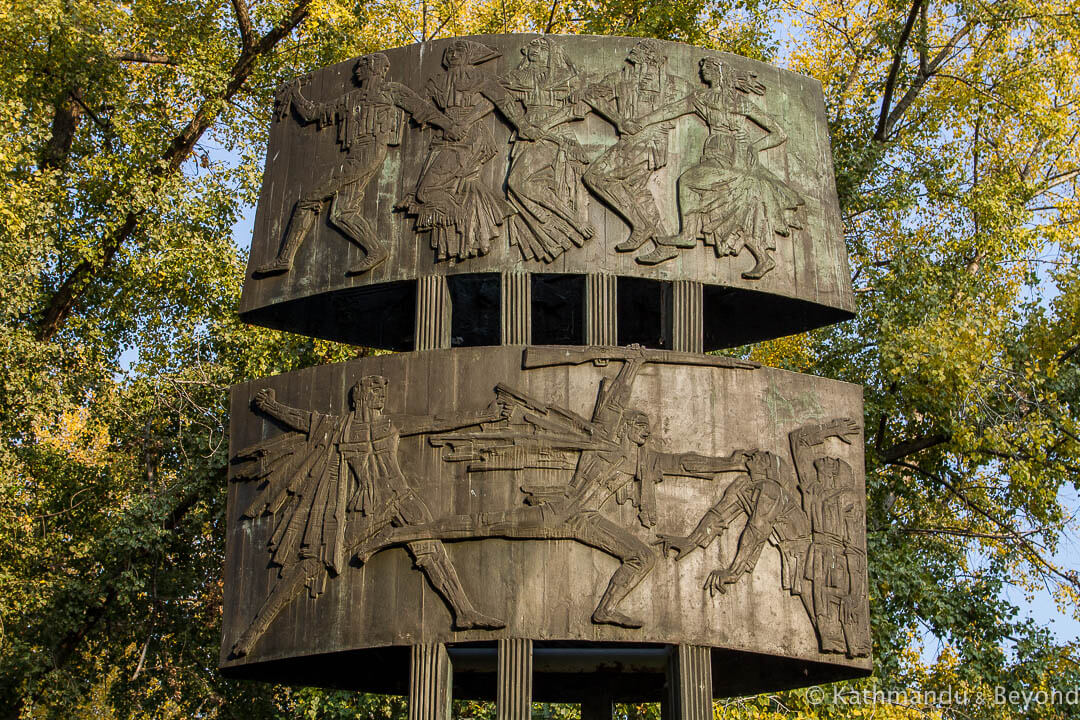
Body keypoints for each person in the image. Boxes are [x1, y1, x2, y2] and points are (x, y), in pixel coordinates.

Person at [347, 352, 748, 628]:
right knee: (479, 524)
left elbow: (690, 463)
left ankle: (606, 610)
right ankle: (389, 538)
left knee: (641, 557)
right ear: (627, 428)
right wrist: (633, 364)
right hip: (558, 512)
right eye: (641, 427)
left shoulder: (646, 461)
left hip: (586, 521)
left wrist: (732, 462)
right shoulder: (603, 440)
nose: (648, 433)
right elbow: (615, 403)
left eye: (647, 429)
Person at [230, 375, 508, 658]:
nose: (381, 396)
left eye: (383, 391)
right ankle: (254, 633)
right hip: (367, 507)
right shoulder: (338, 428)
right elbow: (301, 419)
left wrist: (484, 416)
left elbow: (436, 421)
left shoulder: (390, 423)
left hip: (403, 499)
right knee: (311, 564)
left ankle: (464, 612)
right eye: (375, 390)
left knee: (432, 552)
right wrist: (269, 407)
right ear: (359, 395)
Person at [255, 54, 458, 277]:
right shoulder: (350, 99)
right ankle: (376, 250)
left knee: (308, 200)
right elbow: (313, 113)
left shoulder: (391, 91)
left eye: (361, 67)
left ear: (374, 68)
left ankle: (284, 259)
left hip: (370, 150)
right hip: (357, 152)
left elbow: (421, 108)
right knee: (342, 212)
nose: (356, 72)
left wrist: (448, 125)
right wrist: (295, 93)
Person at [627, 56, 805, 278]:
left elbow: (779, 133)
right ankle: (764, 258)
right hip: (717, 155)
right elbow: (671, 110)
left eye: (707, 68)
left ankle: (688, 234)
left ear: (720, 72)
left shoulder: (741, 103)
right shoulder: (703, 98)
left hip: (735, 159)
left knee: (689, 181)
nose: (702, 73)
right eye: (701, 69)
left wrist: (754, 146)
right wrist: (643, 121)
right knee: (727, 213)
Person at [397, 40, 538, 262]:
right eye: (450, 51)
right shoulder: (439, 80)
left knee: (429, 190)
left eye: (459, 51)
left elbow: (502, 101)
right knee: (457, 188)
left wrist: (522, 126)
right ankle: (464, 242)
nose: (453, 54)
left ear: (470, 55)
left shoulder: (478, 77)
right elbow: (419, 105)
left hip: (470, 138)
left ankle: (464, 223)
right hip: (445, 136)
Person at [581, 39, 692, 253]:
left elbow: (691, 101)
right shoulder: (623, 80)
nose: (644, 68)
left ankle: (641, 225)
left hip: (649, 144)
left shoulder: (674, 85)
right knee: (637, 191)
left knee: (596, 177)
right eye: (639, 62)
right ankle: (663, 244)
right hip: (631, 142)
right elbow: (591, 94)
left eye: (647, 61)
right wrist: (618, 119)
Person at [501, 37, 595, 262]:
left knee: (518, 182)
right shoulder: (520, 77)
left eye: (542, 47)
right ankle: (557, 232)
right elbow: (498, 95)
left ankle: (572, 221)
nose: (535, 51)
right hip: (527, 134)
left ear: (552, 52)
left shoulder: (566, 78)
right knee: (521, 186)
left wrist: (544, 126)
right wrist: (521, 124)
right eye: (532, 47)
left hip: (554, 135)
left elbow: (581, 104)